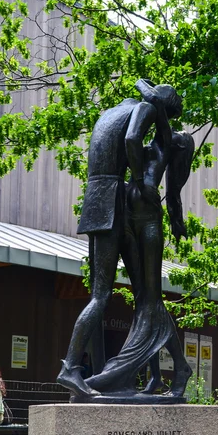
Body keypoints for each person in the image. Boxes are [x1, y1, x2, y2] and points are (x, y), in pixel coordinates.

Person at [57, 80, 183, 398]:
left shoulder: (112, 112)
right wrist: (140, 182)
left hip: (100, 200)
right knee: (103, 297)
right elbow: (131, 140)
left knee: (144, 298)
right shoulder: (144, 109)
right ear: (162, 110)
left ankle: (136, 374)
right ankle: (70, 369)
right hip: (114, 202)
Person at [86, 83, 194, 397]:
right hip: (127, 218)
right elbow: (145, 124)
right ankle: (155, 376)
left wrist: (151, 96)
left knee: (151, 299)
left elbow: (157, 120)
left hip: (147, 222)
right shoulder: (153, 139)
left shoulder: (170, 143)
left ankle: (179, 368)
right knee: (142, 301)